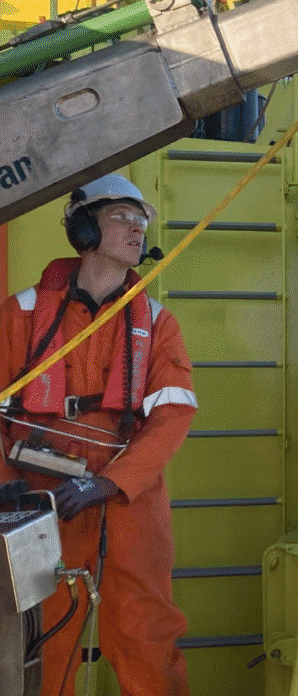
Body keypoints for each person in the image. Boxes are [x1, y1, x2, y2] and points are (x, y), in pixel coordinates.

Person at [0, 173, 196, 696]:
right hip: (38, 501)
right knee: (41, 642)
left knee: (147, 636)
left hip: (128, 503)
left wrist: (110, 483)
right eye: (120, 219)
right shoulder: (18, 313)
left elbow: (172, 415)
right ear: (84, 231)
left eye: (141, 222)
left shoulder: (158, 323)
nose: (136, 230)